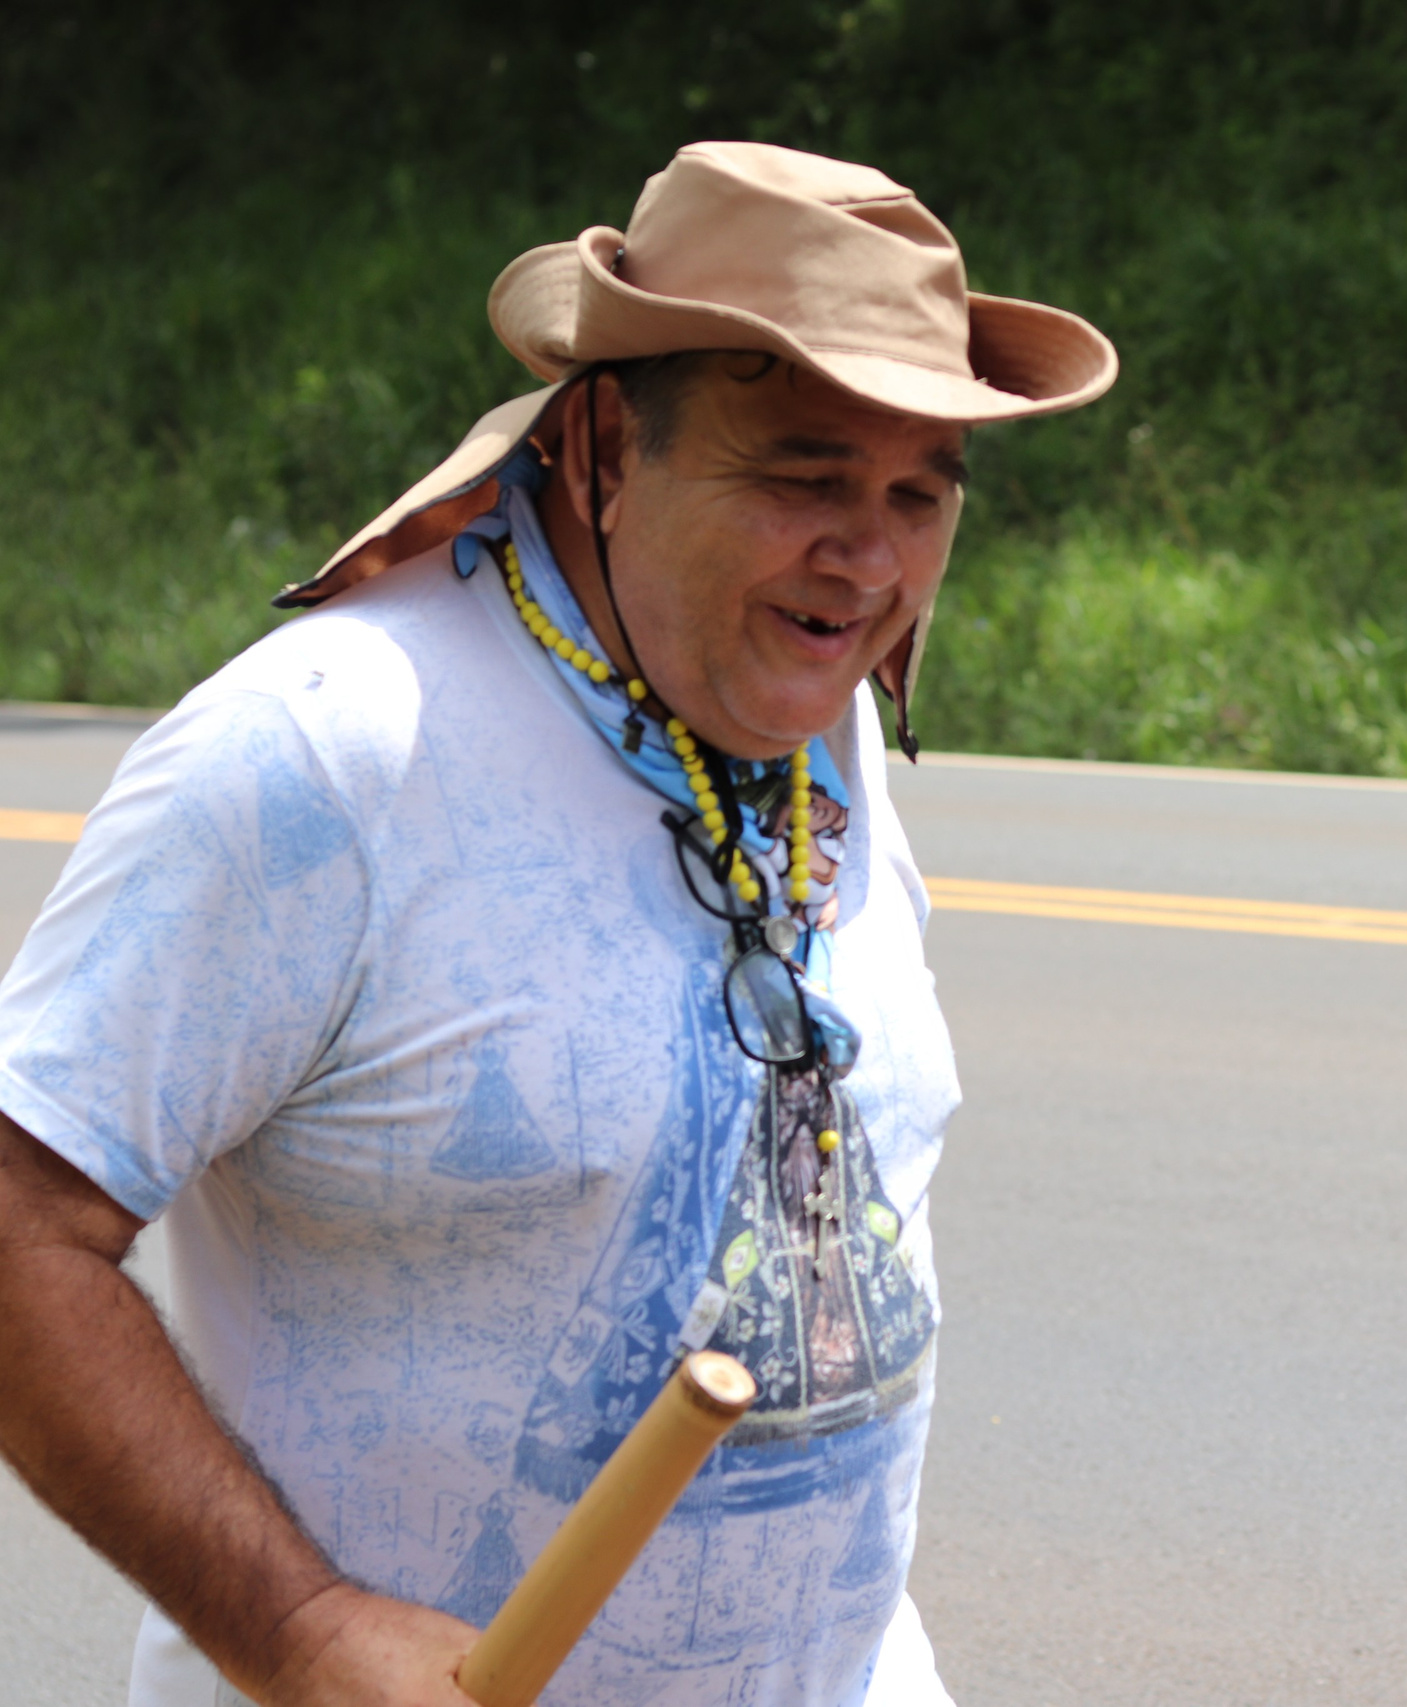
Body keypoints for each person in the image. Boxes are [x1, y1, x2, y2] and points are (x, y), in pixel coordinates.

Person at [0, 141, 1115, 1707]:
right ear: (601, 446)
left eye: (919, 494)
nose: (868, 560)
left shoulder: (801, 707)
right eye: (803, 476)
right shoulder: (325, 755)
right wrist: (303, 1629)